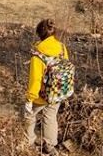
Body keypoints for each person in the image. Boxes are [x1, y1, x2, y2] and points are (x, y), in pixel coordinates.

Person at [23, 18, 68, 153]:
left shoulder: (38, 55)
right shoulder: (62, 47)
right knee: (50, 116)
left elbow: (35, 80)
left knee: (29, 116)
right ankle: (50, 144)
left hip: (41, 95)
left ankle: (29, 142)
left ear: (39, 34)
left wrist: (30, 99)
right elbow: (64, 67)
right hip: (58, 92)